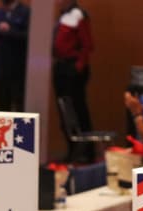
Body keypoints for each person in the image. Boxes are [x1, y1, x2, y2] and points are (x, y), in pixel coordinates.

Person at [52, 0, 94, 160]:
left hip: (73, 67)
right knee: (64, 110)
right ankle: (72, 149)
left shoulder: (79, 15)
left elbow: (87, 44)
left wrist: (78, 67)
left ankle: (87, 151)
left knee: (78, 109)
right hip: (61, 66)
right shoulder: (62, 17)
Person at [0, 0, 30, 111]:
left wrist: (10, 31)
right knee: (2, 105)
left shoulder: (26, 12)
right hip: (2, 68)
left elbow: (30, 37)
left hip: (19, 68)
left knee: (20, 105)